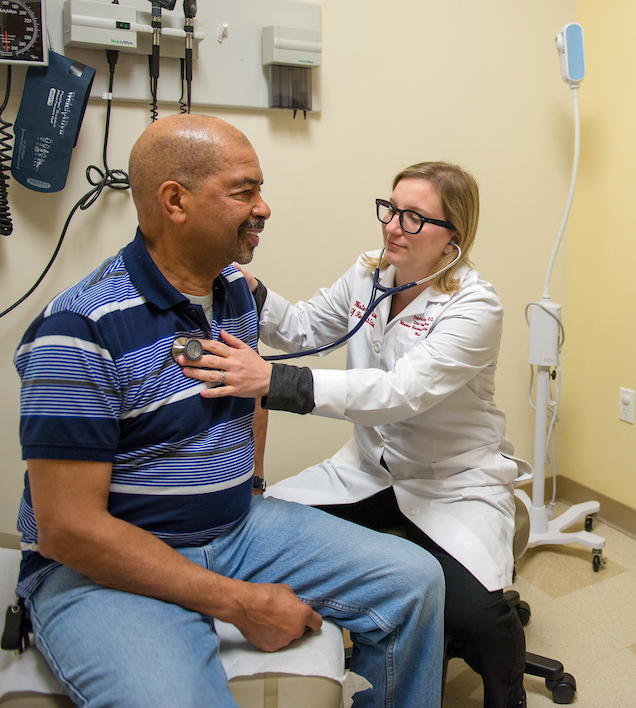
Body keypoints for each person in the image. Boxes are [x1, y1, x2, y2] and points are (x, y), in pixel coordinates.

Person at [13, 114, 445, 708]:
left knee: (414, 582)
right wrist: (237, 601)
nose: (264, 208)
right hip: (107, 564)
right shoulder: (79, 329)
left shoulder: (231, 290)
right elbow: (68, 529)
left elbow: (247, 390)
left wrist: (254, 487)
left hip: (236, 527)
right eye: (245, 191)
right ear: (176, 202)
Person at [179, 162, 530, 708]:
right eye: (391, 209)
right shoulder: (371, 271)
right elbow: (301, 328)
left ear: (452, 237)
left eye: (414, 218)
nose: (393, 226)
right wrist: (251, 289)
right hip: (366, 470)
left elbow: (398, 392)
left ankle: (508, 694)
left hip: (450, 482)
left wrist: (273, 381)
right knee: (259, 528)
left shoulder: (475, 306)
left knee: (477, 620)